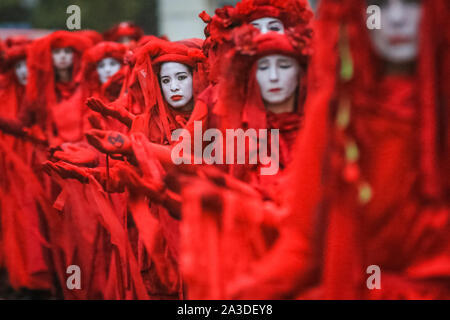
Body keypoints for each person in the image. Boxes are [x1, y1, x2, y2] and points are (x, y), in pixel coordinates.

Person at [227, 0, 450, 300]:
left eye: (413, 3)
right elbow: (303, 243)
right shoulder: (337, 113)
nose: (397, 19)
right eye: (380, 6)